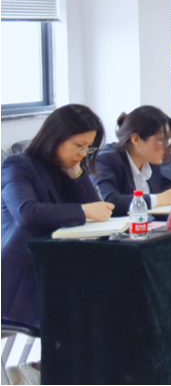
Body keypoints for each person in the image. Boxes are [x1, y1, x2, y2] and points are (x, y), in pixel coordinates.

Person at [2, 105, 114, 327]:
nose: (83, 153)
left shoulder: (66, 168)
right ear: (56, 137)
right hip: (23, 278)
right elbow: (26, 213)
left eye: (88, 148)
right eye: (79, 146)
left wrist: (77, 174)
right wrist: (83, 211)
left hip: (60, 270)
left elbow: (96, 209)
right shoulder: (18, 166)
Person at [92, 106, 171, 215]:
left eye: (168, 140)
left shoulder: (152, 163)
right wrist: (161, 199)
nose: (167, 147)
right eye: (161, 140)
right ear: (136, 139)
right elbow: (109, 201)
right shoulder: (105, 160)